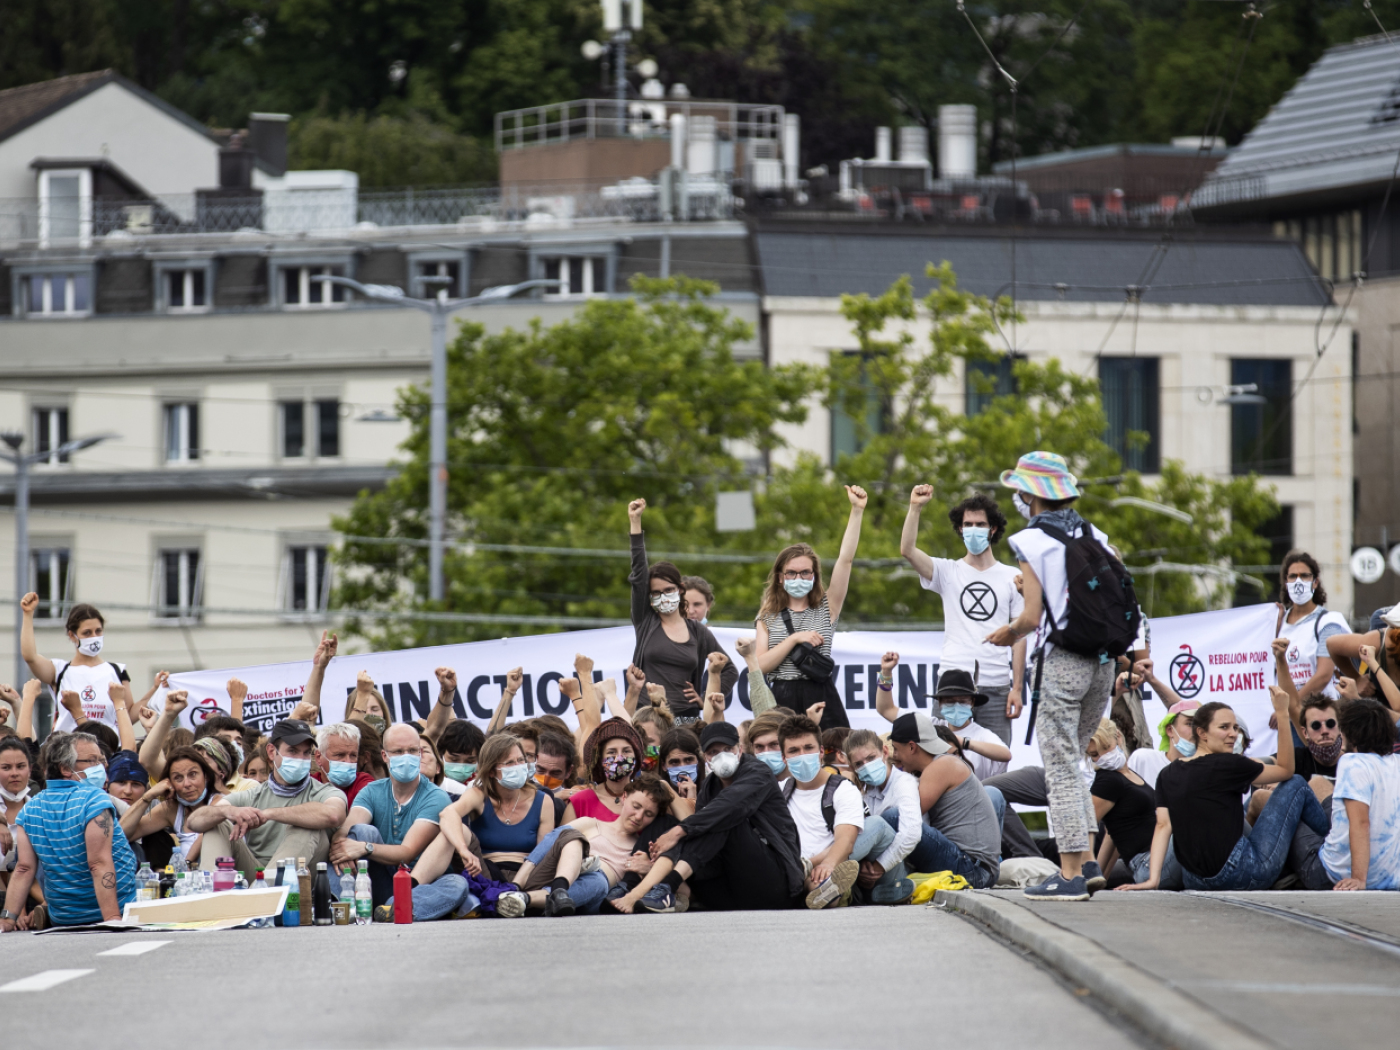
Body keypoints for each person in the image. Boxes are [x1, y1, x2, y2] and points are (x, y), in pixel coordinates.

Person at [986, 451, 1119, 901]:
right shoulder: (1093, 532)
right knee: (1077, 760)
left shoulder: (1031, 541)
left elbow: (1032, 616)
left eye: (1021, 492)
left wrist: (1009, 633)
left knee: (1059, 766)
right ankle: (1086, 864)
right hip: (1105, 660)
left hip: (1064, 660)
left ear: (1031, 495)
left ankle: (1068, 876)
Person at [1144, 692, 1328, 892]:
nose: (1233, 733)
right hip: (1239, 874)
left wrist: (1153, 880)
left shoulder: (1167, 773)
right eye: (1224, 727)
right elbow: (1286, 770)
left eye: (1235, 727)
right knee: (1296, 783)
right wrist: (1282, 714)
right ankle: (1332, 843)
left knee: (1250, 804)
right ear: (1202, 733)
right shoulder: (1229, 763)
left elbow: (1163, 826)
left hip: (1194, 881)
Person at [614, 721, 806, 912]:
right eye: (714, 752)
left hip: (775, 883)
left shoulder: (758, 772)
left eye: (728, 749)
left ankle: (667, 885)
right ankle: (630, 884)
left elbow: (728, 806)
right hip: (730, 889)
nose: (722, 756)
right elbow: (701, 841)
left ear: (739, 750)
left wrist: (677, 833)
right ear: (705, 757)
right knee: (664, 822)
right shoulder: (709, 786)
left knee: (723, 819)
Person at [900, 486, 1026, 744]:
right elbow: (907, 551)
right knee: (941, 758)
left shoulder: (1013, 577)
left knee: (996, 765)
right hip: (951, 686)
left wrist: (1017, 688)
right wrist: (915, 507)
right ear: (959, 529)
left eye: (980, 524)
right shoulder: (947, 571)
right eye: (967, 524)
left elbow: (1019, 635)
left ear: (992, 529)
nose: (973, 529)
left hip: (997, 687)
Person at [753, 485, 868, 732]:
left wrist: (856, 511)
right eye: (792, 572)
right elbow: (760, 665)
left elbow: (845, 559)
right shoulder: (767, 616)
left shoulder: (827, 606)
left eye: (805, 572)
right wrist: (795, 639)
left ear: (814, 575)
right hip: (782, 697)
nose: (799, 577)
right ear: (781, 578)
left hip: (820, 694)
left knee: (833, 755)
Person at [1, 731, 138, 931]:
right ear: (66, 768)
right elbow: (99, 863)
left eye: (101, 760)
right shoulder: (94, 799)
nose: (102, 766)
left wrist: (7, 920)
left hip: (64, 918)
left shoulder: (30, 808)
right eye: (92, 761)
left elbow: (24, 869)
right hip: (116, 910)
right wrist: (113, 919)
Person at [185, 718, 348, 881]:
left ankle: (264, 897)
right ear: (271, 752)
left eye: (306, 752)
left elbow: (333, 815)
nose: (300, 758)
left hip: (300, 881)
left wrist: (268, 814)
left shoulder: (325, 791)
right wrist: (229, 812)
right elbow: (194, 822)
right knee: (217, 821)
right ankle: (215, 898)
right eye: (292, 751)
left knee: (306, 824)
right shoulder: (252, 794)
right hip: (256, 876)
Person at [627, 498, 737, 723]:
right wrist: (635, 522)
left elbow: (730, 670)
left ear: (680, 590)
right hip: (649, 720)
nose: (662, 596)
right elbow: (638, 575)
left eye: (668, 590)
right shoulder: (646, 621)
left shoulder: (697, 631)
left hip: (687, 722)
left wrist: (705, 698)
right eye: (656, 593)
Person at [777, 715, 905, 908]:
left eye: (808, 748)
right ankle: (824, 891)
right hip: (789, 865)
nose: (802, 755)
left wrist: (826, 864)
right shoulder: (778, 791)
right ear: (784, 758)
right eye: (794, 751)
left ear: (821, 751)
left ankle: (830, 893)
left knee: (821, 881)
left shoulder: (842, 789)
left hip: (824, 867)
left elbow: (846, 840)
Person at [501, 776, 676, 917]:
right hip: (549, 875)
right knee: (573, 837)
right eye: (636, 806)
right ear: (624, 798)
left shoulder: (639, 851)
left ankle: (524, 899)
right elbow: (549, 841)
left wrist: (649, 869)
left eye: (648, 814)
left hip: (587, 896)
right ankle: (532, 892)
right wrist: (517, 883)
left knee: (599, 881)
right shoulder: (591, 824)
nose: (638, 816)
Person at [330, 723, 452, 907]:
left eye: (412, 750)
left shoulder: (436, 797)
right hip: (381, 881)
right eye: (398, 751)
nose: (406, 757)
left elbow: (407, 853)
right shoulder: (372, 791)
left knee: (456, 885)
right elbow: (346, 832)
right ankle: (341, 907)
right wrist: (342, 848)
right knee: (360, 831)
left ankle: (398, 909)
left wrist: (365, 848)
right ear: (384, 756)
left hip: (418, 884)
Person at [885, 712, 1003, 891]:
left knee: (894, 817)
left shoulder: (941, 765)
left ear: (911, 747)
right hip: (977, 868)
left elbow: (907, 814)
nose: (895, 756)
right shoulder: (939, 765)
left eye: (896, 749)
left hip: (972, 870)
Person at [874, 657, 1011, 780]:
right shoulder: (928, 726)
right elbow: (886, 709)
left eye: (963, 701)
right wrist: (886, 673)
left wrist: (963, 742)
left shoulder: (982, 735)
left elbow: (1005, 754)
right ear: (939, 703)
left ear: (972, 703)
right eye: (950, 701)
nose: (956, 706)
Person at [1314, 699, 1400, 890]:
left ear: (1351, 733)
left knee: (1293, 789)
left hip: (1336, 874)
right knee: (1318, 784)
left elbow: (1361, 823)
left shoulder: (1353, 763)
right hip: (1391, 878)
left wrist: (1359, 879)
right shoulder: (1397, 762)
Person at [1086, 721, 1182, 891]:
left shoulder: (1129, 775)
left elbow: (1113, 834)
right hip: (1148, 862)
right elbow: (1085, 827)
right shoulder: (1107, 779)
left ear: (1118, 737)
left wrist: (1099, 878)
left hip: (1158, 859)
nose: (1102, 757)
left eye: (1106, 747)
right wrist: (1087, 875)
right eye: (1094, 754)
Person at [20, 593, 132, 733]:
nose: (94, 637)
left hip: (108, 750)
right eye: (87, 633)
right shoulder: (59, 670)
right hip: (67, 749)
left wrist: (155, 691)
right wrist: (28, 613)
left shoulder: (116, 670)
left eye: (98, 631)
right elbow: (30, 657)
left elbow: (129, 714)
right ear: (72, 635)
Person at [845, 729, 920, 904]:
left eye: (871, 758)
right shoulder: (864, 793)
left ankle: (824, 871)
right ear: (852, 768)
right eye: (859, 764)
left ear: (885, 752)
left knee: (878, 823)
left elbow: (912, 834)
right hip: (870, 869)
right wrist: (864, 865)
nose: (866, 766)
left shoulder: (904, 783)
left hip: (899, 867)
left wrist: (879, 866)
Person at [118, 741, 221, 867]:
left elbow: (204, 834)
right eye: (178, 778)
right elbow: (121, 836)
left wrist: (186, 863)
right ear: (170, 783)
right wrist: (149, 796)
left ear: (206, 776)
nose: (187, 784)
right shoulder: (171, 808)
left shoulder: (220, 801)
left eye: (193, 775)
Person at [1274, 551, 1350, 702]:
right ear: (1286, 582)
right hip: (1282, 717)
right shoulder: (1278, 623)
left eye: (1304, 576)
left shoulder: (1328, 622)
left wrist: (1290, 707)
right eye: (1293, 576)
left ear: (1315, 582)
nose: (1298, 581)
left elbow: (1323, 675)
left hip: (1319, 713)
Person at [564, 717, 649, 822]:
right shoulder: (580, 801)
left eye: (626, 751)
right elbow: (563, 837)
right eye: (612, 752)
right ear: (599, 760)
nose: (619, 758)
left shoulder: (648, 799)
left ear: (636, 757)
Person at [312, 722, 373, 806]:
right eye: (339, 755)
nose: (348, 761)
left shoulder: (363, 782)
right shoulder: (308, 786)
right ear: (319, 757)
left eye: (353, 755)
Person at [658, 727, 703, 817]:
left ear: (698, 760)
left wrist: (692, 801)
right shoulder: (657, 800)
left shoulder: (713, 793)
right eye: (675, 762)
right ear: (664, 765)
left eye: (688, 760)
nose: (682, 767)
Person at [439, 720, 486, 787]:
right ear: (440, 755)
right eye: (454, 760)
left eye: (470, 761)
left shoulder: (482, 786)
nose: (461, 767)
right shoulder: (431, 781)